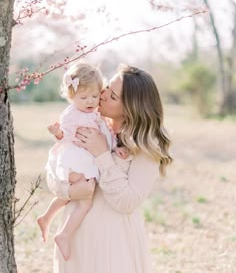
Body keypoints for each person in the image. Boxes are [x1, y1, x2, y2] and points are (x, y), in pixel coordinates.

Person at [47, 64, 173, 273]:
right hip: (74, 236)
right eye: (106, 87)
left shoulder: (146, 144)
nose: (102, 95)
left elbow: (127, 202)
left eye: (112, 96)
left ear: (130, 107)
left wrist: (103, 154)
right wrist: (68, 191)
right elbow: (56, 169)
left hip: (113, 242)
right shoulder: (88, 122)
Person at [37, 62, 129, 261]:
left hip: (86, 160)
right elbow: (66, 136)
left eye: (95, 96)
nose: (90, 101)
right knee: (84, 200)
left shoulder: (96, 113)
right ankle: (64, 235)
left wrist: (116, 148)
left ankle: (46, 218)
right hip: (74, 159)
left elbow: (105, 135)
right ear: (71, 96)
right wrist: (58, 132)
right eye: (84, 97)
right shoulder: (71, 114)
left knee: (72, 196)